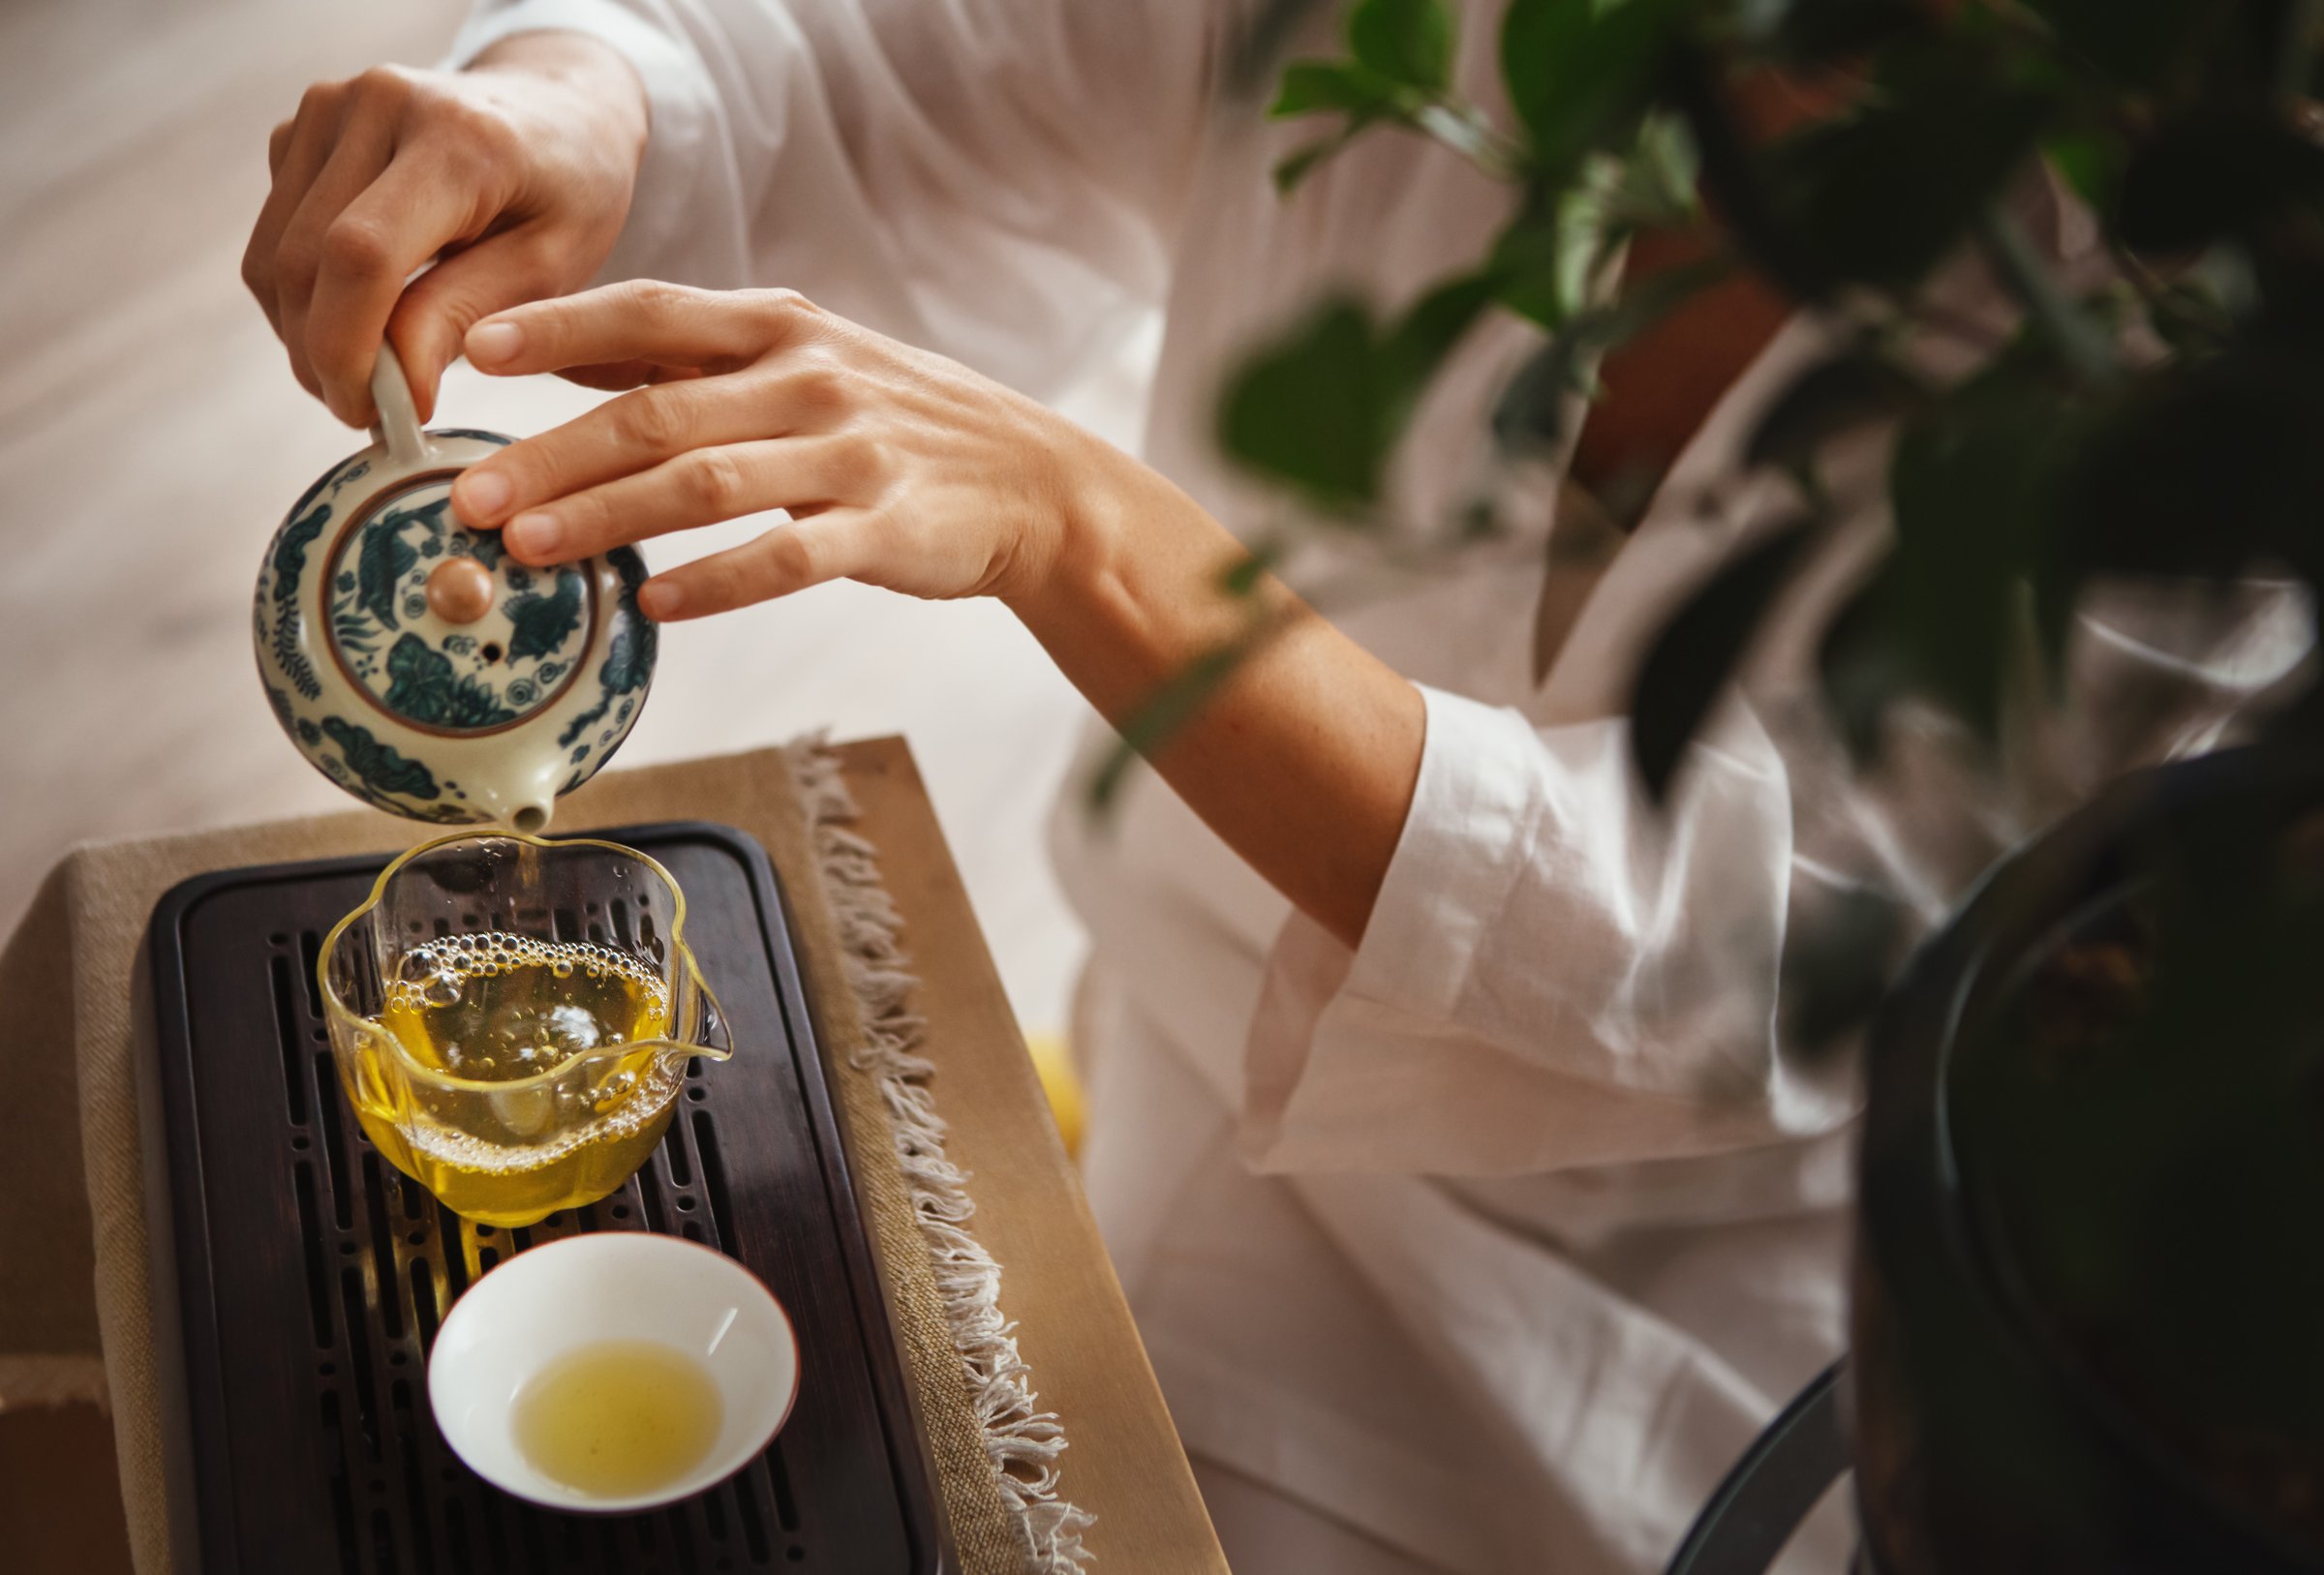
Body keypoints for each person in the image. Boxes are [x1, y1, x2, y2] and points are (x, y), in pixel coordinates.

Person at [243, 4, 2309, 1569]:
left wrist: (1083, 529)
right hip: (1161, 1083)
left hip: (1627, 1320)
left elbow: (1718, 940)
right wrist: (572, 109)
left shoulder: (2211, 352)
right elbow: (901, 78)